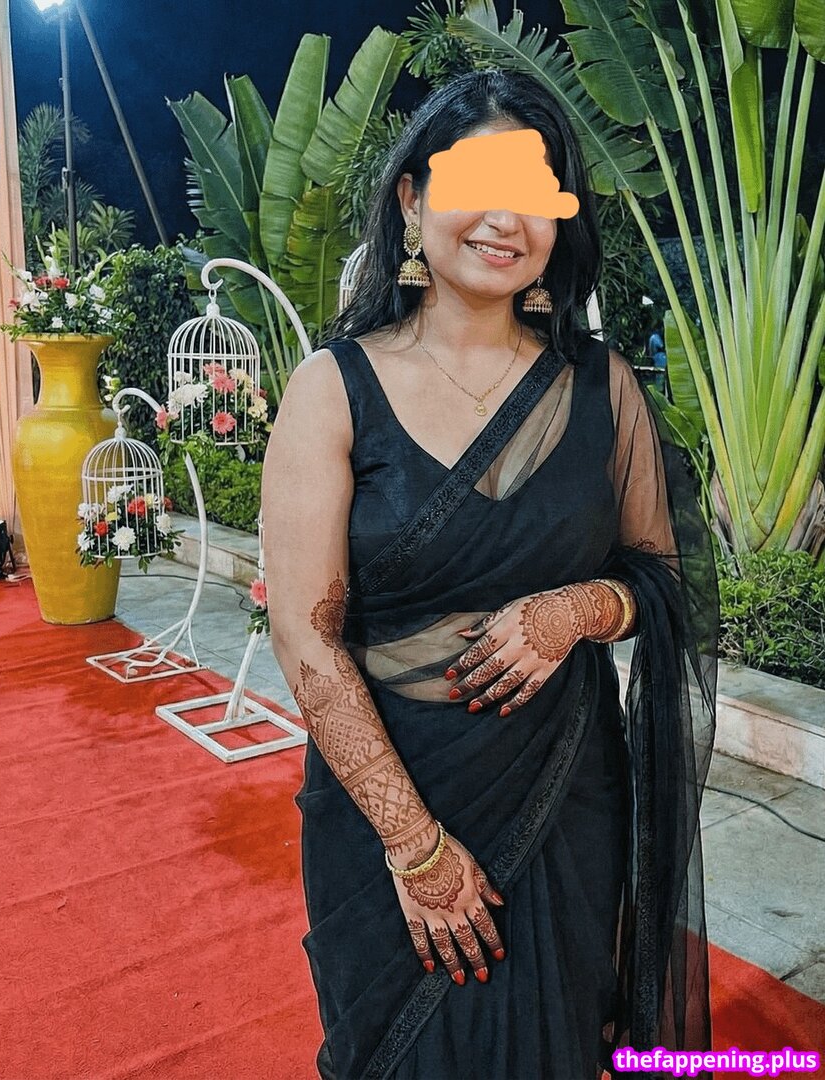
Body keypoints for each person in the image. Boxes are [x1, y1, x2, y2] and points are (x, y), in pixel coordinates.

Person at [262, 68, 719, 1080]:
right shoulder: (333, 390)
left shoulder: (602, 388)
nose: (507, 219)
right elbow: (305, 634)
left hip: (563, 790)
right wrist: (415, 847)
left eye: (536, 193)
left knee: (559, 1040)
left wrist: (577, 609)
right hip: (388, 808)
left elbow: (663, 577)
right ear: (412, 198)